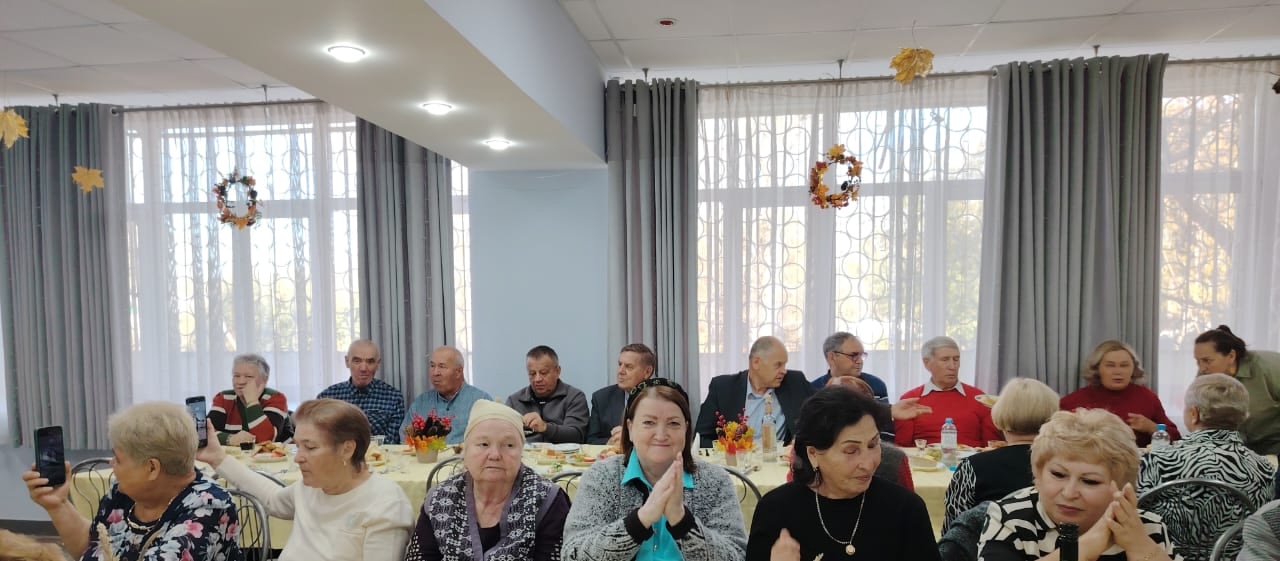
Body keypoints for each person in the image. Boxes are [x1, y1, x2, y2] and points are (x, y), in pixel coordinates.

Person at [21, 402, 241, 561]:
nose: (112, 464)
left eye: (118, 458)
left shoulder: (210, 507)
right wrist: (58, 505)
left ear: (152, 468)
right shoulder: (123, 493)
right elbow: (94, 549)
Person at [200, 398, 414, 561]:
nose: (298, 458)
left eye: (310, 447)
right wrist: (218, 458)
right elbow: (272, 499)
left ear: (347, 449)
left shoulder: (386, 504)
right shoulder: (313, 486)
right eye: (298, 446)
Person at [562, 378, 748, 561]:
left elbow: (737, 555)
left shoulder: (715, 480)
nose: (661, 434)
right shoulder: (602, 477)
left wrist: (682, 521)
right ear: (630, 428)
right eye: (649, 422)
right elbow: (572, 554)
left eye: (673, 423)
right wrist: (640, 521)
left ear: (686, 429)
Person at [747, 385, 939, 561]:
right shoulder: (776, 511)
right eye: (851, 451)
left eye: (873, 445)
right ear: (813, 454)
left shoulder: (905, 509)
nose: (868, 464)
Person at [977, 409, 1185, 561]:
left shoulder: (1145, 527)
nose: (1069, 493)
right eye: (1058, 475)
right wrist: (1085, 547)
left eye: (1089, 481)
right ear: (1038, 475)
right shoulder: (1010, 517)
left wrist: (1140, 546)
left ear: (1121, 487)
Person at [405, 400, 569, 560]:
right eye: (483, 444)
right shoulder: (440, 499)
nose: (495, 455)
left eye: (509, 445)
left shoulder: (547, 499)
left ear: (521, 452)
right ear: (465, 452)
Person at [1137, 373, 1275, 561]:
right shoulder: (1264, 468)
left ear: (1194, 414)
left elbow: (1135, 515)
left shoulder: (1157, 460)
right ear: (1242, 416)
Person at [944, 378, 1059, 528]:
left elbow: (953, 529)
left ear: (999, 417)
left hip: (985, 543)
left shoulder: (972, 466)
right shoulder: (1065, 467)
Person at [695, 335, 815, 448]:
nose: (784, 371)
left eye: (784, 364)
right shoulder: (723, 388)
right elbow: (701, 439)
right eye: (778, 365)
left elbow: (822, 407)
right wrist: (729, 450)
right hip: (738, 461)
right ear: (756, 362)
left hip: (780, 460)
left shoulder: (794, 382)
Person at [1060, 340, 1180, 447]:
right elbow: (1057, 442)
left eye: (1124, 365)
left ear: (1133, 369)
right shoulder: (1072, 402)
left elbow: (1176, 438)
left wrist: (1151, 427)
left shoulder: (1147, 397)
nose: (1118, 371)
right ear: (1097, 369)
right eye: (1110, 366)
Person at [894, 336, 1000, 448]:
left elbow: (992, 446)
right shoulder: (910, 400)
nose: (952, 366)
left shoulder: (979, 398)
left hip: (972, 458)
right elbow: (902, 447)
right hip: (924, 458)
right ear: (927, 363)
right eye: (945, 360)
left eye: (956, 359)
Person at [1194, 325, 1280, 454]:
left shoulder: (1270, 367)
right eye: (1198, 361)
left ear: (1231, 356)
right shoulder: (1205, 376)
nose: (1201, 368)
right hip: (1236, 449)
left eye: (1207, 360)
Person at [318, 339, 407, 443]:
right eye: (357, 361)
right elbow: (318, 438)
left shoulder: (393, 398)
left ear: (378, 364)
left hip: (379, 454)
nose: (363, 368)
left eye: (370, 362)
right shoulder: (327, 397)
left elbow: (392, 443)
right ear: (347, 362)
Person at [403, 346, 492, 445]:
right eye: (432, 366)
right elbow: (404, 439)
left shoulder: (481, 401)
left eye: (442, 366)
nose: (435, 373)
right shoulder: (420, 403)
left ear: (458, 372)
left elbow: (490, 441)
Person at [504, 345, 589, 443]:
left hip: (561, 452)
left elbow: (577, 436)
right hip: (526, 452)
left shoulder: (574, 397)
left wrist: (545, 427)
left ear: (557, 371)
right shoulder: (514, 401)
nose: (537, 379)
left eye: (543, 373)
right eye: (532, 374)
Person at [209, 353, 289, 445]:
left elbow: (265, 439)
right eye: (236, 376)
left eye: (248, 376)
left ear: (264, 380)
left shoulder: (276, 398)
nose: (241, 382)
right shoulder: (223, 398)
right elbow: (205, 433)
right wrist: (230, 439)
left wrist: (252, 401)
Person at [587, 343, 657, 445]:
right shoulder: (601, 398)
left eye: (628, 367)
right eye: (620, 364)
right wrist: (610, 443)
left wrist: (632, 438)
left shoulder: (661, 400)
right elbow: (591, 440)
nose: (620, 371)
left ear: (647, 372)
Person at [809, 332, 888, 399]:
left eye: (861, 355)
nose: (860, 361)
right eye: (853, 355)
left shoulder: (876, 385)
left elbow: (883, 412)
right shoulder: (812, 390)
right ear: (832, 357)